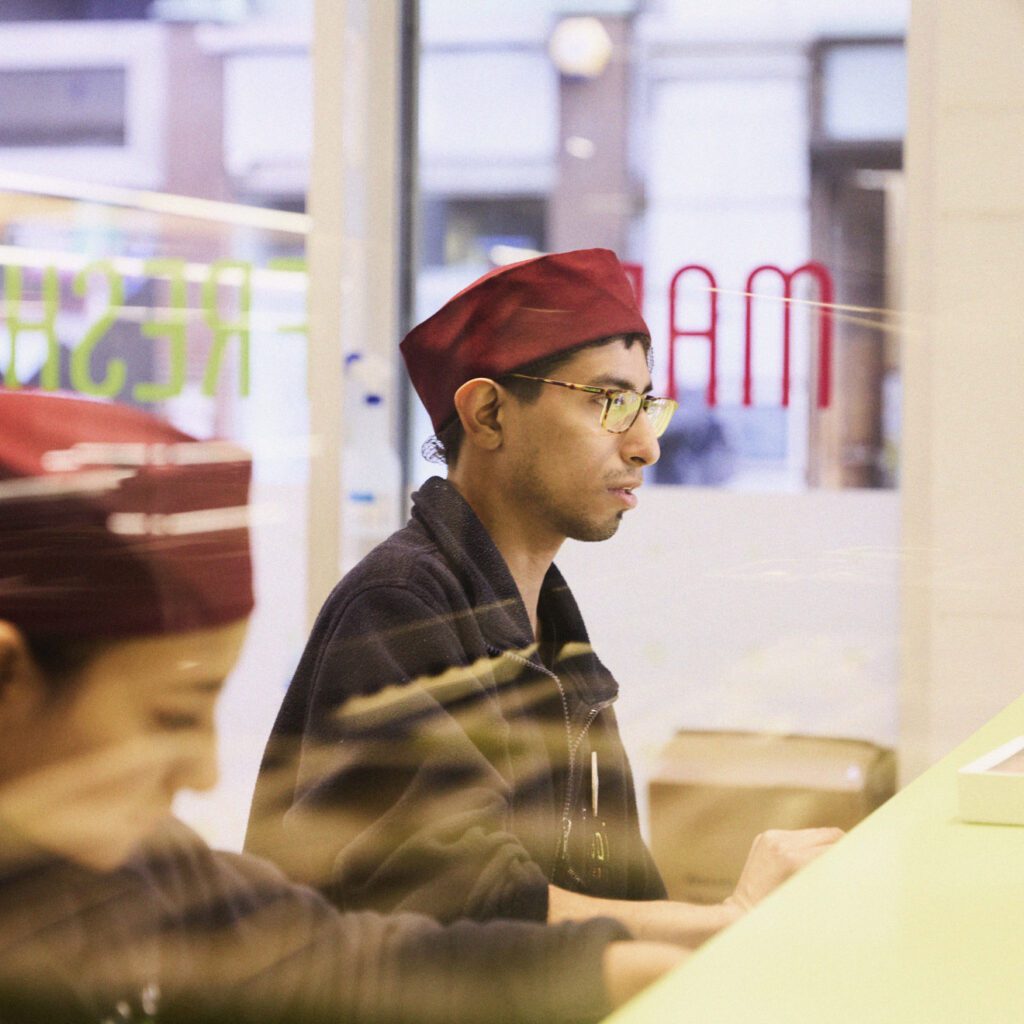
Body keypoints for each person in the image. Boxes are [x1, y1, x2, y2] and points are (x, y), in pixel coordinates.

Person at [0, 389, 685, 1024]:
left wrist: (615, 969)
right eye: (171, 716)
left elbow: (339, 961)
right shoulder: (401, 598)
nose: (205, 774)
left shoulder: (139, 867)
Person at [245, 248, 842, 947]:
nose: (647, 444)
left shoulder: (553, 626)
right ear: (489, 413)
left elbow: (618, 885)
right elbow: (461, 904)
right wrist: (729, 917)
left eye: (647, 405)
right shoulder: (400, 603)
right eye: (610, 402)